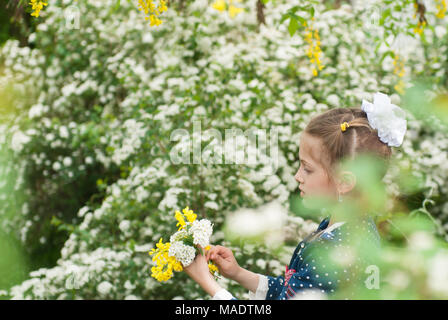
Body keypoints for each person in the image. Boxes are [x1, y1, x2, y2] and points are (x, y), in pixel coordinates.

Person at [184, 92, 407, 300]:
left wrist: (209, 284)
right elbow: (293, 290)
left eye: (307, 169)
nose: (297, 176)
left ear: (344, 182)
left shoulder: (334, 251)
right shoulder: (347, 226)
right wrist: (238, 273)